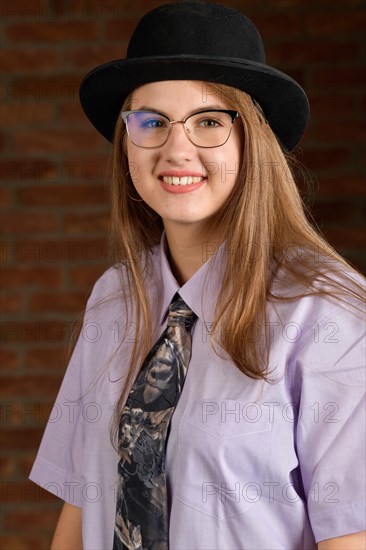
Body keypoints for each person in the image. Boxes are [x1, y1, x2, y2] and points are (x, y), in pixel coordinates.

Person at [29, 2, 365, 549]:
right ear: (128, 143)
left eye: (209, 121)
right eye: (151, 122)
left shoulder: (330, 312)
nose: (176, 148)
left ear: (252, 142)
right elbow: (80, 506)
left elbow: (351, 535)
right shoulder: (114, 298)